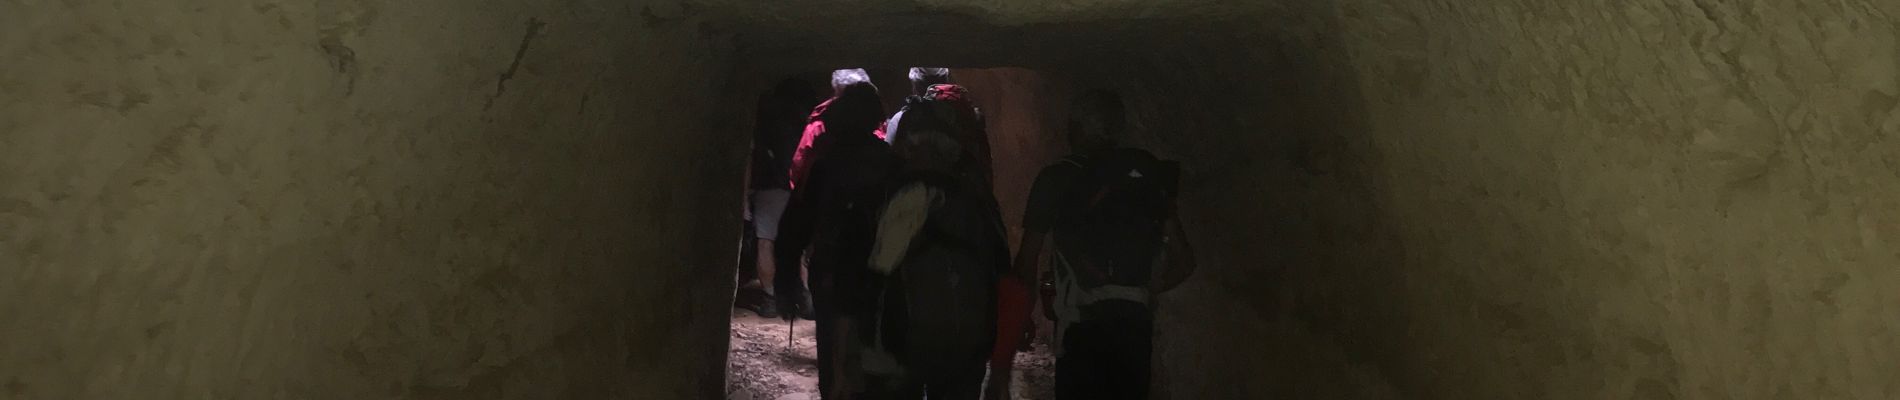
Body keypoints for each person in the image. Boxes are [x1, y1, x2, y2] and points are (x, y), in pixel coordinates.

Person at [990, 90, 1198, 400]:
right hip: (1134, 329)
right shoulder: (1142, 180)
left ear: (1074, 128)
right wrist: (1137, 292)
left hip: (1080, 328)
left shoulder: (1056, 180)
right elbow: (1184, 263)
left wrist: (1009, 344)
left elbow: (1026, 265)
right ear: (1117, 131)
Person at [848, 101, 1008, 400]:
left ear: (907, 145)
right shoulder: (978, 201)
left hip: (903, 348)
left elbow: (876, 272)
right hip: (967, 346)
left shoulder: (907, 196)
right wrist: (1000, 368)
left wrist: (855, 349)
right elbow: (1003, 275)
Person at [774, 68, 900, 399]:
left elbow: (795, 225)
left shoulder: (827, 164)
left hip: (833, 270)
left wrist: (787, 282)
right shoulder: (893, 163)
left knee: (835, 359)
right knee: (884, 360)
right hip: (886, 275)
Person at [744, 78, 819, 319]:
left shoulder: (766, 116)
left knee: (766, 241)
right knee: (802, 243)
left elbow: (753, 153)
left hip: (769, 186)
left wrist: (747, 193)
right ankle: (805, 297)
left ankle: (771, 298)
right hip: (799, 187)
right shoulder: (809, 116)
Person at [883, 68, 993, 187]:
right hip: (963, 193)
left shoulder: (901, 119)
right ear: (946, 81)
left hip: (923, 194)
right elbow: (983, 159)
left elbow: (889, 164)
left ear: (915, 86)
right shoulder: (969, 115)